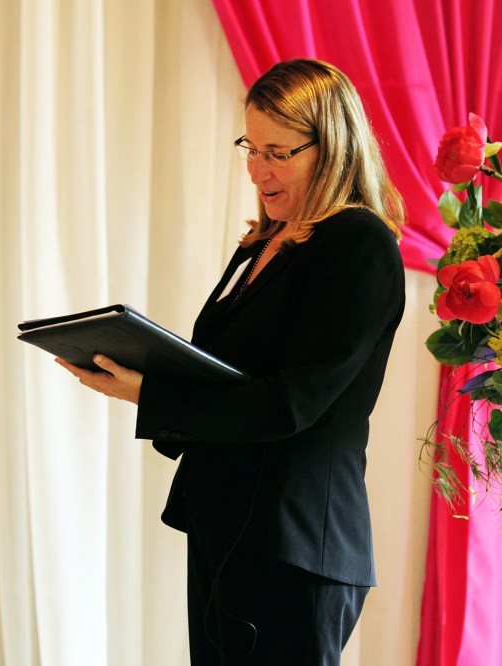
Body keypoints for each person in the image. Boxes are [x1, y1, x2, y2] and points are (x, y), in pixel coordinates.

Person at [58, 59, 405, 664]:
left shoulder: (357, 243)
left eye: (278, 152)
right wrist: (136, 363)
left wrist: (150, 395)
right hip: (233, 529)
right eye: (250, 146)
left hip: (294, 542)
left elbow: (292, 400)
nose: (257, 169)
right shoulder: (268, 241)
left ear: (333, 149)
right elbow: (224, 370)